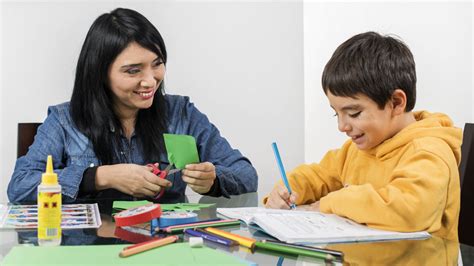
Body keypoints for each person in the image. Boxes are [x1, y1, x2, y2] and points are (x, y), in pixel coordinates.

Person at [8, 8, 258, 203]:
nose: (150, 81)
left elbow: (247, 175)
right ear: (100, 73)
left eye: (157, 63)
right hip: (91, 250)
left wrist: (212, 180)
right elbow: (20, 186)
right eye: (133, 70)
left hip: (166, 247)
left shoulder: (182, 114)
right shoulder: (65, 120)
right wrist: (100, 177)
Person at [264, 32, 461, 241]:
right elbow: (318, 175)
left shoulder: (429, 151)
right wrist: (289, 190)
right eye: (336, 113)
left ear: (395, 102)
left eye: (354, 113)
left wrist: (330, 203)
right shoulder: (356, 150)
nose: (341, 126)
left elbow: (410, 210)